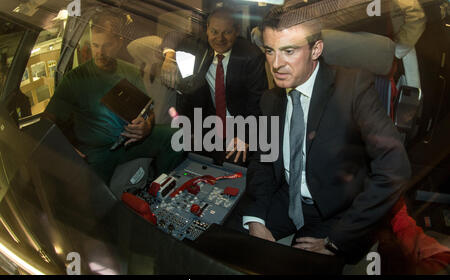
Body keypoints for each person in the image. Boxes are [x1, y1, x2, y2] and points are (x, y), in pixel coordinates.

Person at [242, 5, 411, 263]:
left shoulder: (353, 88)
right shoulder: (270, 99)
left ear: (316, 49)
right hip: (287, 198)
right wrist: (255, 218)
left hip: (338, 211)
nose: (276, 64)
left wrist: (338, 240)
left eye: (289, 51)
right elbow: (262, 161)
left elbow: (394, 168)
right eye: (269, 51)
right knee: (229, 246)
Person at [43, 11, 185, 183]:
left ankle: (161, 189)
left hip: (129, 142)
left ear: (118, 43)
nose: (100, 52)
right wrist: (68, 149)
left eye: (106, 45)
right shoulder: (75, 79)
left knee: (177, 136)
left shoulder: (130, 71)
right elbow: (47, 122)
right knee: (95, 201)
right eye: (95, 45)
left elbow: (149, 111)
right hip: (96, 152)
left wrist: (146, 126)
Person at [160, 7, 268, 164]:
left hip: (240, 125)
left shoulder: (251, 56)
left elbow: (257, 102)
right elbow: (172, 36)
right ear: (207, 31)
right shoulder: (200, 47)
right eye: (215, 32)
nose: (220, 38)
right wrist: (169, 56)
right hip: (207, 125)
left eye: (227, 32)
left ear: (236, 31)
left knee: (236, 169)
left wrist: (246, 135)